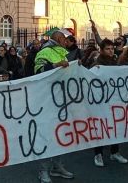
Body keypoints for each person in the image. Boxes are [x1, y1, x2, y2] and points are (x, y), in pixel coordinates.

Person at [34, 30, 74, 183]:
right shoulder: (44, 52)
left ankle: (57, 166)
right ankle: (43, 169)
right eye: (64, 38)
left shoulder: (62, 53)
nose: (67, 41)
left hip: (62, 99)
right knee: (47, 135)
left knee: (61, 134)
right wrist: (56, 65)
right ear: (58, 38)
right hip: (47, 100)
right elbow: (38, 71)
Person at [91, 39, 128, 167]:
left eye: (112, 48)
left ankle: (115, 152)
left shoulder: (115, 62)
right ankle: (98, 154)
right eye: (108, 49)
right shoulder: (97, 63)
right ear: (101, 50)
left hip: (114, 100)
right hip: (101, 102)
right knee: (101, 126)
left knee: (116, 126)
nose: (111, 51)